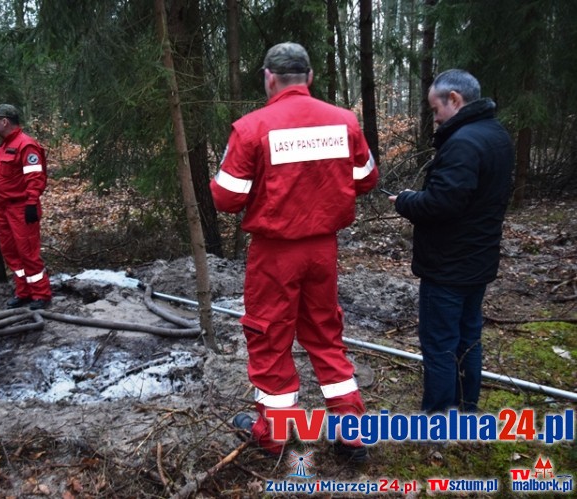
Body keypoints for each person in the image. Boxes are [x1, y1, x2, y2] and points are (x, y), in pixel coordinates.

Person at [210, 42, 378, 462]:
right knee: (325, 334)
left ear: (269, 77)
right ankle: (351, 431)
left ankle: (275, 434)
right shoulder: (344, 122)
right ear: (310, 77)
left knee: (269, 337)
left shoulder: (252, 128)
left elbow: (226, 198)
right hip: (323, 250)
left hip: (275, 253)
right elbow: (367, 178)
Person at [388, 69, 514, 413]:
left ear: (454, 100)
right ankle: (466, 405)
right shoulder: (496, 134)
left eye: (435, 109)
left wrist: (405, 200)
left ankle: (440, 416)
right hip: (478, 260)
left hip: (449, 267)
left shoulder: (463, 143)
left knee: (441, 344)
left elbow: (442, 203)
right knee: (468, 338)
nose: (435, 118)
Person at [0, 104, 52, 310]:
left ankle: (41, 294)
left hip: (21, 208)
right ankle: (23, 292)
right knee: (11, 253)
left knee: (27, 252)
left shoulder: (26, 145)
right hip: (3, 208)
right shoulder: (4, 146)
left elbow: (35, 178)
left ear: (4, 121)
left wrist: (31, 203)